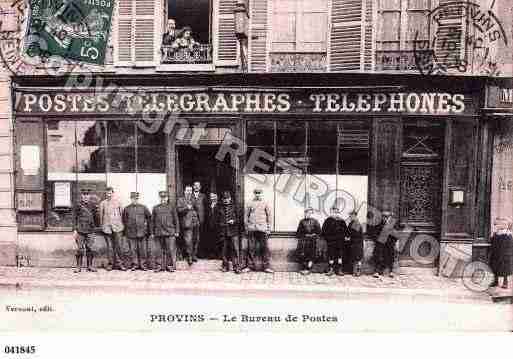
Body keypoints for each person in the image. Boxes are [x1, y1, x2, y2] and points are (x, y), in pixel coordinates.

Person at [122, 192, 152, 271]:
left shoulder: (143, 207)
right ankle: (135, 264)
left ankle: (143, 265)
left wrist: (147, 229)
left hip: (142, 232)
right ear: (131, 199)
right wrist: (126, 232)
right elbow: (124, 220)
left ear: (138, 199)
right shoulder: (126, 208)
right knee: (133, 250)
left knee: (143, 250)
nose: (134, 200)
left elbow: (149, 218)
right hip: (131, 233)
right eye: (133, 198)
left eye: (136, 199)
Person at [152, 191, 180, 272]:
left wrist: (177, 231)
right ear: (160, 198)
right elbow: (152, 221)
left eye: (165, 197)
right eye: (161, 197)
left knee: (170, 250)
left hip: (170, 232)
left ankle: (170, 266)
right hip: (159, 232)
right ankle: (159, 266)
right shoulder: (155, 208)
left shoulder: (172, 207)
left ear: (167, 198)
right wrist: (152, 232)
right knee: (158, 250)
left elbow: (176, 220)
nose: (163, 199)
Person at [99, 187, 126, 271]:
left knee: (119, 246)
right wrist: (102, 226)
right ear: (105, 194)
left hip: (118, 227)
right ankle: (110, 264)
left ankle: (120, 264)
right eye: (107, 193)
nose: (109, 195)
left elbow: (122, 215)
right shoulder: (103, 203)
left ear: (113, 193)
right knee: (110, 247)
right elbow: (101, 216)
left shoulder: (118, 202)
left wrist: (122, 225)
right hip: (107, 228)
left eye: (110, 193)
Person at [73, 189, 98, 273]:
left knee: (90, 249)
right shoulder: (78, 205)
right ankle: (78, 267)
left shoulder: (93, 205)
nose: (86, 196)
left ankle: (89, 266)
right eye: (84, 194)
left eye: (87, 194)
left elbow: (96, 218)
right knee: (80, 249)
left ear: (89, 196)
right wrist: (75, 230)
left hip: (90, 231)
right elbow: (74, 218)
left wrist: (95, 229)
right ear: (82, 196)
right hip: (80, 230)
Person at [218, 191, 242, 274]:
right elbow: (217, 219)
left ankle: (237, 267)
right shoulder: (219, 207)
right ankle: (225, 266)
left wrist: (234, 221)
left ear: (230, 198)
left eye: (227, 198)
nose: (226, 200)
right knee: (224, 250)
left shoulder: (235, 207)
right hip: (223, 231)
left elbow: (240, 219)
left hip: (233, 231)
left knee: (235, 249)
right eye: (224, 199)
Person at [370, 210, 398, 278]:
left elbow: (396, 234)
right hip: (380, 244)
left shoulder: (393, 224)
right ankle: (377, 271)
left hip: (389, 244)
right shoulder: (378, 224)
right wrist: (378, 240)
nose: (385, 218)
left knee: (390, 256)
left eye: (387, 217)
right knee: (378, 256)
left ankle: (391, 271)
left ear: (389, 217)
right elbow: (374, 233)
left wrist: (393, 242)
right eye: (383, 216)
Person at [177, 185, 200, 266]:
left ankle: (194, 255)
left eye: (190, 190)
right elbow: (179, 210)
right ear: (184, 191)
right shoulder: (181, 200)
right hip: (187, 224)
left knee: (196, 240)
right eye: (187, 190)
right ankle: (189, 256)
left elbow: (197, 209)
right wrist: (187, 207)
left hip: (195, 223)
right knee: (188, 241)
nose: (189, 192)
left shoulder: (194, 199)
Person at [321, 206, 347, 276]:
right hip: (331, 242)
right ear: (331, 212)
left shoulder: (342, 221)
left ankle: (339, 269)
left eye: (337, 212)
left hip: (340, 242)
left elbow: (346, 231)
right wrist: (328, 238)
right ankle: (331, 269)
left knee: (339, 256)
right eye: (334, 212)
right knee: (331, 255)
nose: (335, 213)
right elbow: (323, 231)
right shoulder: (328, 221)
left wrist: (342, 237)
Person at [295, 208, 322, 275]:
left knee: (312, 254)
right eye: (307, 213)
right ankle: (304, 268)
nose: (309, 214)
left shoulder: (315, 221)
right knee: (303, 254)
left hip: (313, 241)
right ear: (305, 213)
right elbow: (298, 233)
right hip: (304, 241)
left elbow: (319, 231)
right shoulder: (302, 222)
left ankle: (308, 269)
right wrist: (304, 235)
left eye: (310, 213)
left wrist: (314, 235)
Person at [489, 217, 512, 289]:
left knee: (504, 268)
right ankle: (496, 281)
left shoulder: (508, 234)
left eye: (504, 224)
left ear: (506, 225)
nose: (501, 225)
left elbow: (510, 245)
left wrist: (508, 253)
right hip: (496, 253)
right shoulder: (496, 233)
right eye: (500, 224)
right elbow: (492, 242)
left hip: (505, 254)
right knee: (495, 267)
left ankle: (505, 282)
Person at [191, 181, 207, 262]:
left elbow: (206, 208)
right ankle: (193, 255)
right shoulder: (190, 195)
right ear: (193, 187)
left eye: (198, 186)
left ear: (200, 187)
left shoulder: (203, 196)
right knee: (193, 238)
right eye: (195, 185)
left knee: (200, 238)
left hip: (201, 221)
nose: (196, 187)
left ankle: (199, 254)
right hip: (192, 221)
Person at [348, 210, 364, 276]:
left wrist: (349, 238)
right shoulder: (352, 223)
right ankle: (355, 271)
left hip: (357, 243)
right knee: (355, 257)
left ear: (354, 216)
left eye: (351, 216)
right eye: (350, 216)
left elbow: (355, 234)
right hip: (354, 243)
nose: (350, 217)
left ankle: (358, 271)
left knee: (357, 258)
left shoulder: (356, 223)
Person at [206, 192, 221, 258]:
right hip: (210, 225)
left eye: (214, 197)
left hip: (218, 225)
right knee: (210, 240)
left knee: (218, 240)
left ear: (217, 197)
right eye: (211, 197)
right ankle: (211, 254)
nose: (212, 198)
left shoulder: (219, 205)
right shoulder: (209, 205)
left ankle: (218, 254)